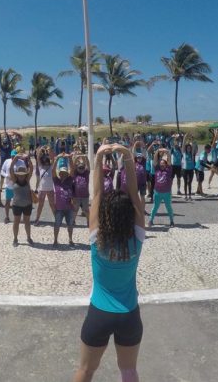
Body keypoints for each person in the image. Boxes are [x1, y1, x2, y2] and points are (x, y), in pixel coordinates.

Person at [72, 143, 146, 382]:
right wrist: (127, 156)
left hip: (99, 313)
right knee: (129, 371)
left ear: (106, 215)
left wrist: (97, 159)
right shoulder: (136, 239)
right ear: (129, 214)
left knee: (85, 370)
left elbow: (96, 196)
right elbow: (134, 193)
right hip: (129, 314)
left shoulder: (98, 239)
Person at [9, 155, 34, 246]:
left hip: (27, 204)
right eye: (19, 174)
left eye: (22, 174)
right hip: (16, 205)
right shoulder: (14, 179)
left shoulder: (27, 180)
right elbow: (11, 169)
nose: (21, 176)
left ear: (25, 174)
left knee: (27, 222)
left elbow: (31, 169)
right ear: (17, 174)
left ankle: (28, 237)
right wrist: (16, 158)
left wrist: (28, 159)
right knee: (16, 222)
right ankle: (15, 238)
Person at [53, 153, 76, 246]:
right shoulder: (56, 181)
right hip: (59, 208)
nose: (63, 174)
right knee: (57, 224)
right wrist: (56, 159)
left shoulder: (69, 180)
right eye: (61, 173)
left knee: (70, 225)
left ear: (67, 174)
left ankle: (70, 239)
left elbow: (73, 169)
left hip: (69, 207)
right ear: (59, 173)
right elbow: (53, 170)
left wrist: (70, 158)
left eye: (65, 173)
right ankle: (55, 240)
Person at [148, 148, 175, 227]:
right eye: (161, 163)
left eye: (163, 163)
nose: (162, 164)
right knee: (155, 207)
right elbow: (155, 160)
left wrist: (167, 152)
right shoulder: (157, 169)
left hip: (166, 193)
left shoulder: (168, 169)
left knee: (168, 207)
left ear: (166, 164)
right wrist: (157, 151)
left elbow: (169, 161)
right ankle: (151, 220)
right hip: (157, 192)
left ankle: (172, 221)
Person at [33, 147, 56, 226]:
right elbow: (38, 157)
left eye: (47, 161)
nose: (46, 162)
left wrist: (49, 150)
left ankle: (57, 219)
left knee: (52, 205)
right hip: (42, 189)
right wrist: (41, 150)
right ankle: (37, 219)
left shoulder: (51, 166)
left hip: (50, 189)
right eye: (45, 161)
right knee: (40, 205)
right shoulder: (40, 167)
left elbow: (53, 158)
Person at [73, 155, 91, 226]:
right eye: (79, 168)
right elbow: (73, 166)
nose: (81, 169)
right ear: (77, 168)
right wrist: (76, 158)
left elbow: (88, 166)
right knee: (75, 209)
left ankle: (89, 221)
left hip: (85, 196)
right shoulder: (75, 174)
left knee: (86, 210)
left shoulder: (86, 174)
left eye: (82, 168)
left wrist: (86, 158)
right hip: (76, 196)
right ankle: (73, 221)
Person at [1, 151, 15, 223]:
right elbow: (2, 171)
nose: (13, 157)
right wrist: (7, 176)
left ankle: (16, 217)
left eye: (14, 156)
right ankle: (7, 217)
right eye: (12, 156)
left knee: (16, 203)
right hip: (8, 185)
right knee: (7, 202)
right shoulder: (7, 161)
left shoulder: (20, 162)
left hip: (16, 186)